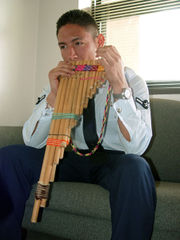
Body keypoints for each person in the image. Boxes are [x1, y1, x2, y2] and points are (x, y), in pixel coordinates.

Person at [0, 9, 156, 240]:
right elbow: (31, 141)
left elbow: (137, 148)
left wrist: (119, 88)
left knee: (137, 168)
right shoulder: (57, 82)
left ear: (99, 41)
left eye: (78, 43)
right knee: (9, 157)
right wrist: (53, 97)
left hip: (112, 162)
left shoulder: (132, 82)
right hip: (67, 157)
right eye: (63, 46)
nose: (70, 55)